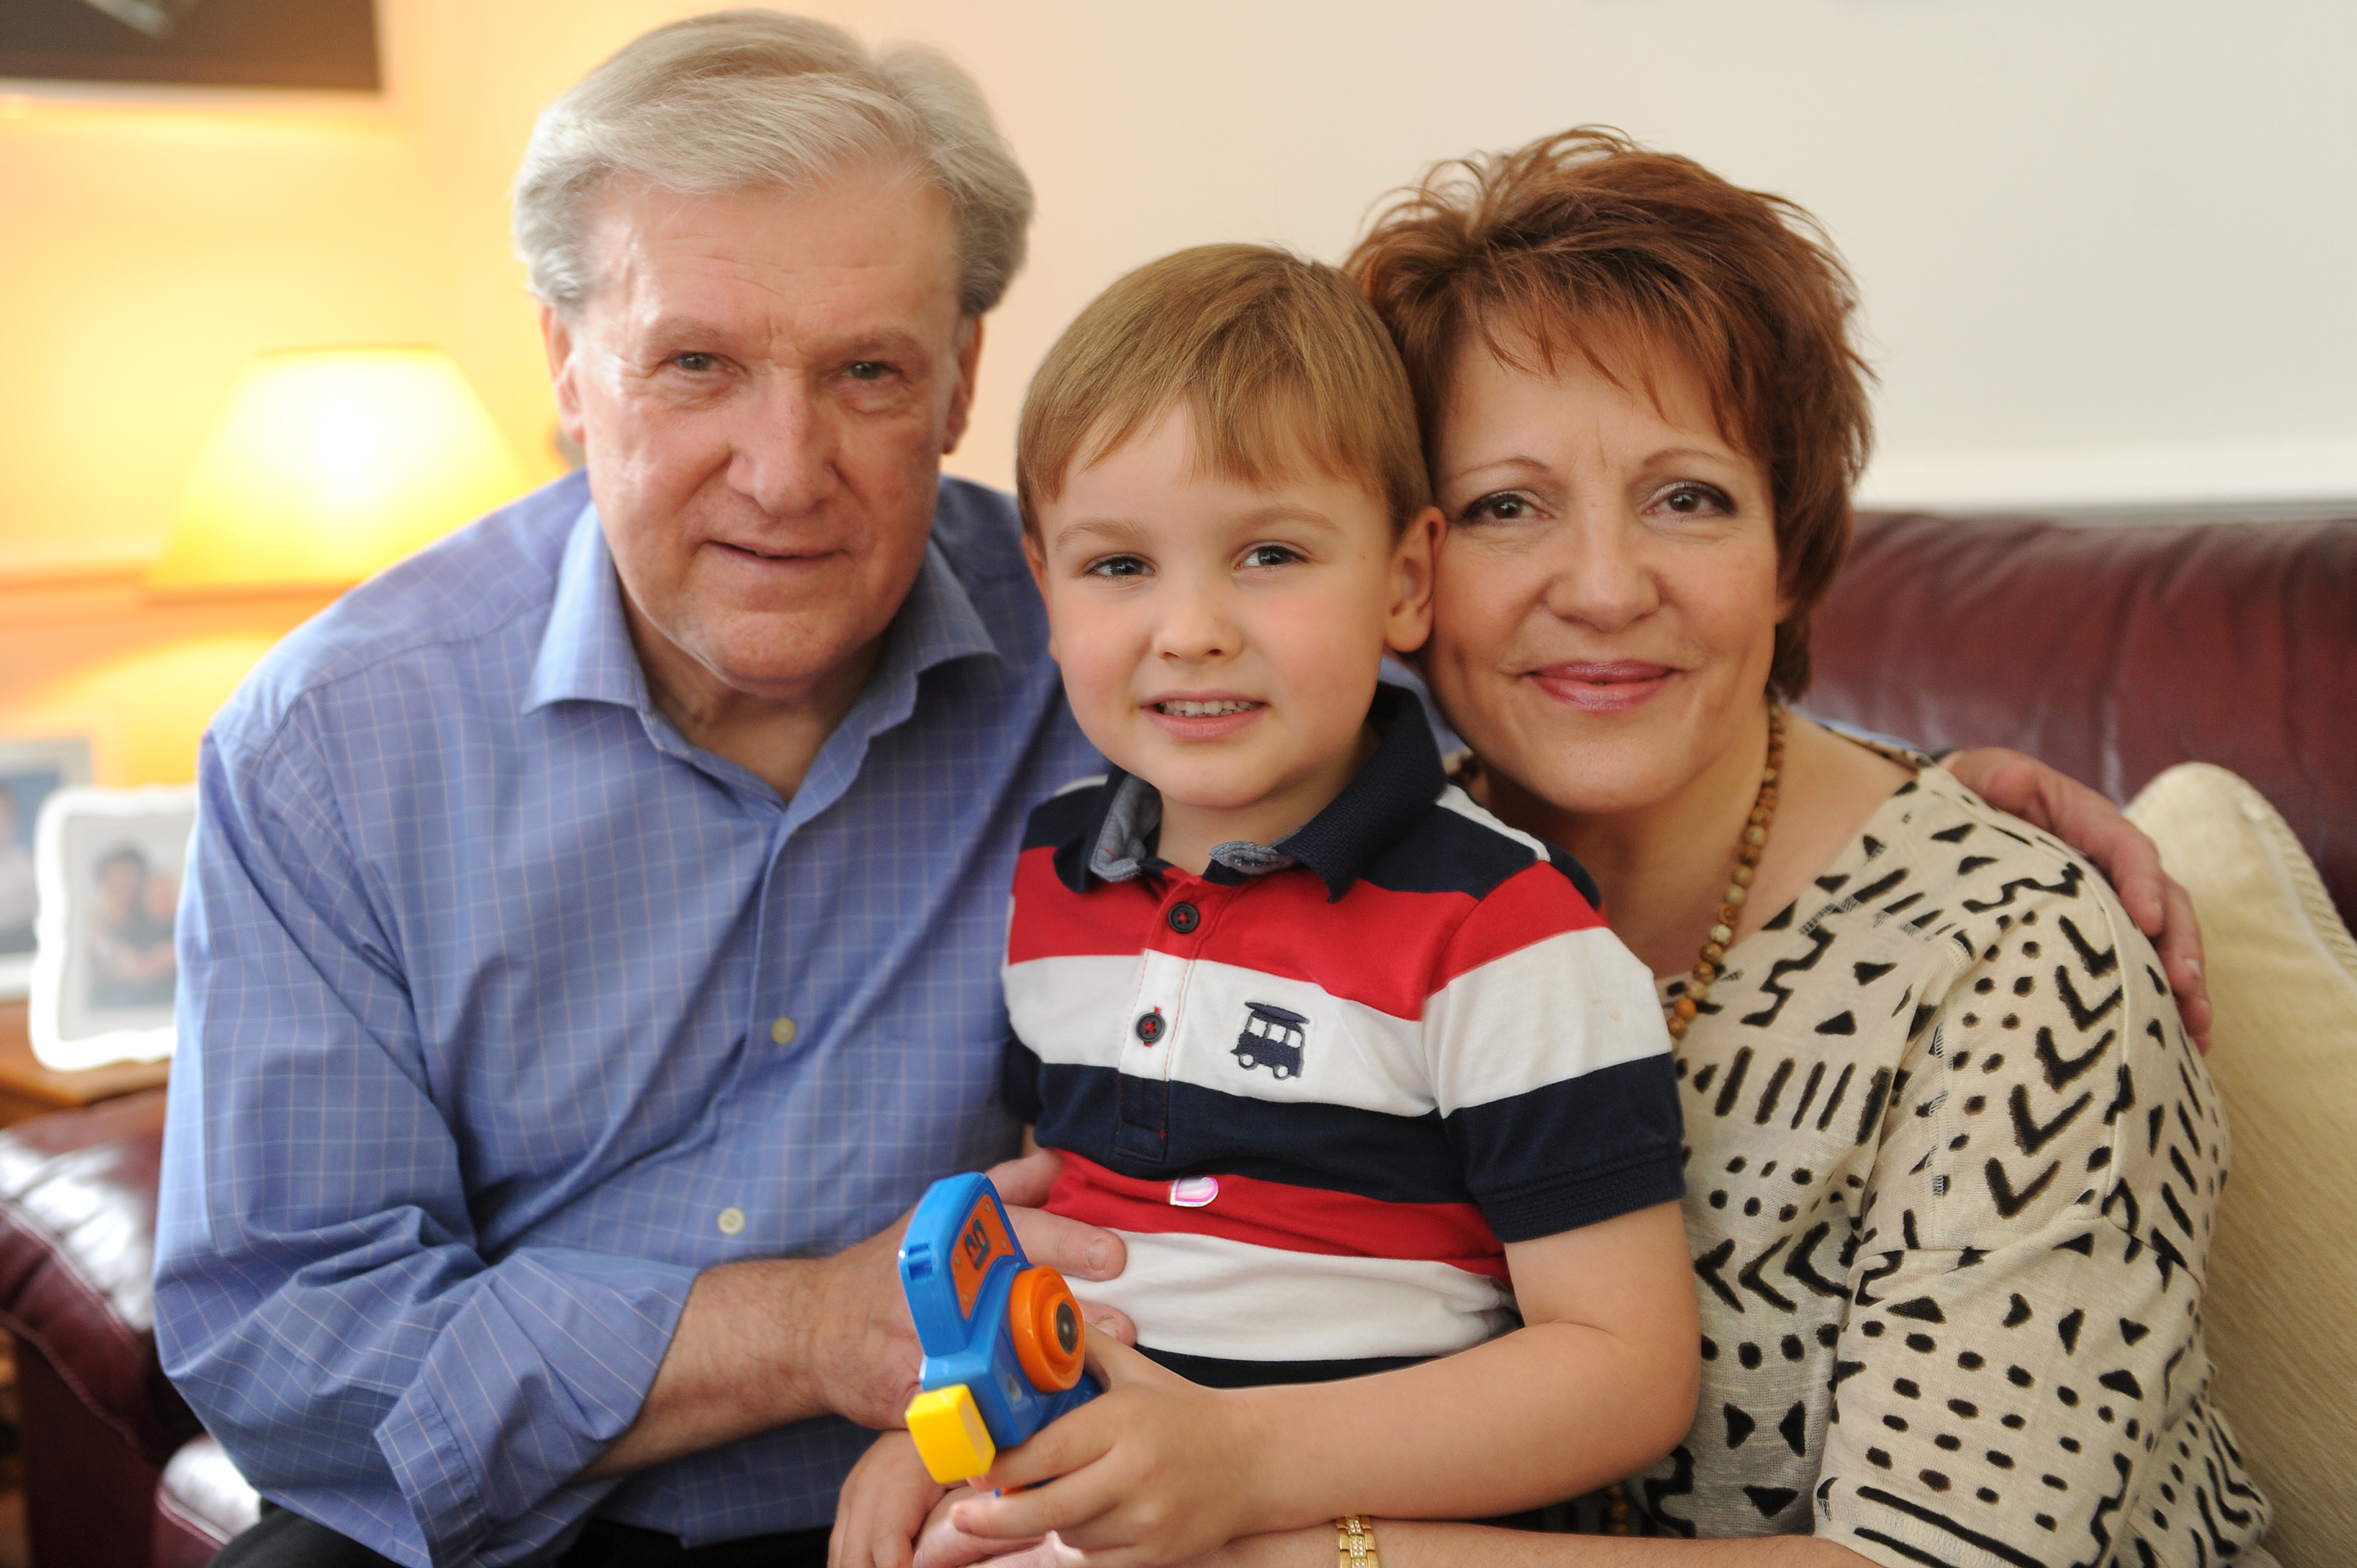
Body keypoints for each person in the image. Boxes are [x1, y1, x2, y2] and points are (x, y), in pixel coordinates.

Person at [151, 12, 2214, 1565]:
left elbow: (1611, 685)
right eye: (695, 363)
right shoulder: (346, 747)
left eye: (868, 372)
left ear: (962, 376)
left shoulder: (1142, 657)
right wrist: (805, 1345)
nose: (786, 470)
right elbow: (284, 1352)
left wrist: (1955, 797)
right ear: (565, 359)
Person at [1171, 129, 2268, 1568]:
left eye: (1688, 498)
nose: (1608, 588)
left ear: (1792, 547)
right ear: (1408, 569)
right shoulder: (1331, 893)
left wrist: (1265, 1538)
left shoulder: (2021, 963)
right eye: (1511, 507)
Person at [832, 246, 1697, 1568]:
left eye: (1270, 554)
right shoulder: (1052, 879)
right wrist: (949, 1438)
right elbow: (1068, 1252)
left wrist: (1240, 1466)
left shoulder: (1502, 932)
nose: (1189, 629)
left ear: (1407, 581)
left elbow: (1627, 1373)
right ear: (1043, 589)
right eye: (1118, 568)